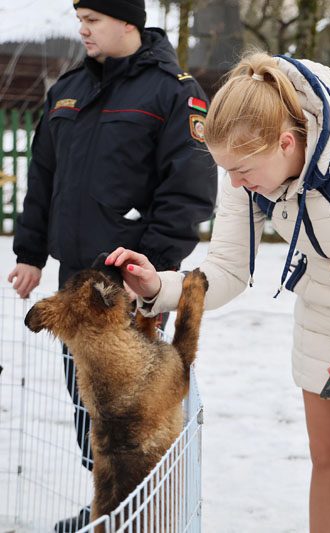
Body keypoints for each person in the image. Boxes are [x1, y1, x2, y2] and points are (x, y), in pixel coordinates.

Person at [106, 51, 330, 532]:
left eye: (242, 172)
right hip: (322, 323)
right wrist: (160, 287)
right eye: (227, 171)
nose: (235, 183)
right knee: (326, 460)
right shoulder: (245, 173)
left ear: (287, 143)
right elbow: (227, 266)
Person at [8, 1, 217, 530]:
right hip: (74, 283)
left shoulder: (173, 90)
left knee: (135, 414)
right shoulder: (68, 88)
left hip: (129, 287)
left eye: (93, 19)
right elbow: (44, 177)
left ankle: (145, 510)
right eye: (79, 18)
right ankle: (107, 502)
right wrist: (31, 253)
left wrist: (150, 273)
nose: (82, 29)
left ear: (128, 21)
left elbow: (188, 192)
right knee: (91, 409)